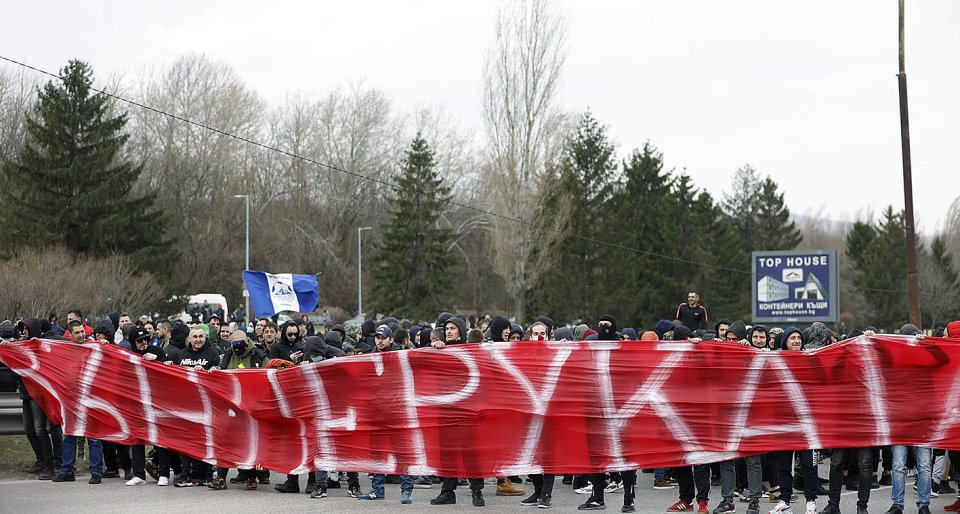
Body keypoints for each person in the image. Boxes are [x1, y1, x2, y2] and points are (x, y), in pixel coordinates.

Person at [429, 315, 487, 507]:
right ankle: (447, 491)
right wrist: (435, 348)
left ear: (461, 331)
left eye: (453, 328)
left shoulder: (471, 352)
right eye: (447, 329)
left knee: (470, 452)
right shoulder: (440, 350)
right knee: (447, 452)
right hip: (446, 410)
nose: (449, 332)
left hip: (466, 411)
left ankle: (477, 491)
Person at [769, 327, 818, 514]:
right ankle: (784, 500)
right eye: (792, 338)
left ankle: (811, 502)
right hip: (785, 423)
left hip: (807, 425)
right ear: (785, 342)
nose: (796, 341)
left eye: (799, 338)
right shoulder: (775, 360)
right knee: (783, 465)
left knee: (809, 465)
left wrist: (815, 359)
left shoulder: (810, 359)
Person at [163, 327, 220, 487]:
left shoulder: (213, 354)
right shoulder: (182, 355)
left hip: (207, 407)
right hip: (186, 406)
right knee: (187, 441)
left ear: (205, 337)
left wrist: (209, 372)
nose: (198, 339)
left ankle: (207, 476)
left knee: (207, 441)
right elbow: (174, 378)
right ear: (189, 338)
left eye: (201, 336)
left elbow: (219, 378)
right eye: (194, 336)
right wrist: (168, 366)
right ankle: (186, 476)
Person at [53, 321, 105, 485]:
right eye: (77, 333)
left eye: (82, 331)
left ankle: (96, 472)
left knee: (94, 437)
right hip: (71, 400)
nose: (81, 335)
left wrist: (105, 344)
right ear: (70, 334)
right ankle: (67, 470)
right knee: (69, 435)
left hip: (91, 399)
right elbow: (42, 350)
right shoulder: (65, 350)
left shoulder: (94, 346)